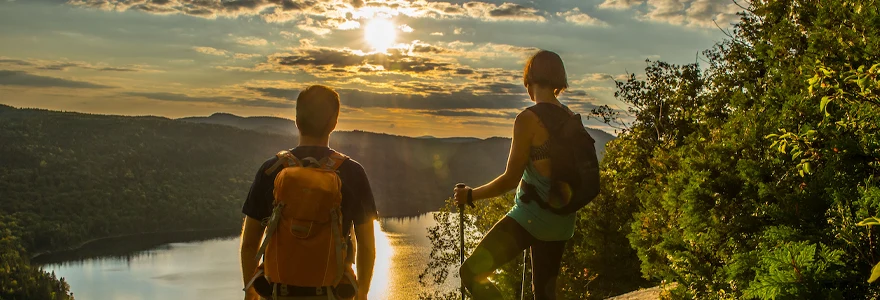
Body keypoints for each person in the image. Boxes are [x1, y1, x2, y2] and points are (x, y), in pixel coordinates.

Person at [454, 50, 577, 300]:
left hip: (532, 217)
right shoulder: (570, 117)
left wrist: (470, 196)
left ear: (529, 80)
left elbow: (510, 179)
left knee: (470, 272)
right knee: (544, 293)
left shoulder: (528, 119)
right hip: (562, 220)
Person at [239, 85, 377, 300]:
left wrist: (251, 292)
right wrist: (362, 293)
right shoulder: (353, 173)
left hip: (278, 293)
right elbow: (367, 246)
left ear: (297, 120)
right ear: (333, 123)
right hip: (333, 294)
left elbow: (249, 244)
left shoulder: (271, 170)